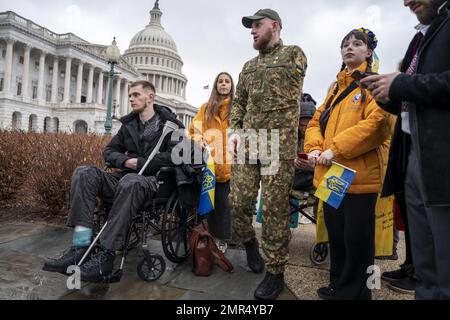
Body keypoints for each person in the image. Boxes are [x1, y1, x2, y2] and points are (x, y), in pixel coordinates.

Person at [42, 80, 186, 282]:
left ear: (150, 97)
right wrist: (127, 161)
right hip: (126, 176)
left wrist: (143, 163)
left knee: (131, 182)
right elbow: (109, 151)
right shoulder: (129, 125)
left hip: (155, 183)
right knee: (84, 173)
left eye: (136, 95)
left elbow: (177, 155)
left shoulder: (172, 126)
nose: (131, 99)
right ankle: (81, 245)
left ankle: (106, 255)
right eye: (130, 95)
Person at [362, 0, 450, 300]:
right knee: (425, 262)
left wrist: (402, 84)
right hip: (413, 154)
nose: (406, 1)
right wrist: (386, 94)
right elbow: (411, 98)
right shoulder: (419, 37)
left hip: (441, 160)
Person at [304, 28, 394, 300]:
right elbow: (314, 122)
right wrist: (315, 147)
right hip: (332, 176)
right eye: (345, 44)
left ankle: (357, 293)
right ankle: (338, 286)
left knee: (358, 242)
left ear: (368, 52)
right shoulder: (334, 88)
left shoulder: (374, 82)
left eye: (357, 44)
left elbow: (377, 125)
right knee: (337, 237)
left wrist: (335, 149)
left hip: (359, 177)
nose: (349, 48)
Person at [228, 8, 307, 300]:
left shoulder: (294, 55)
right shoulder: (247, 67)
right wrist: (234, 129)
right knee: (237, 202)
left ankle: (275, 272)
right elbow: (239, 103)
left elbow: (290, 90)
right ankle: (249, 242)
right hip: (249, 143)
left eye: (257, 25)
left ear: (275, 26)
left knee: (274, 209)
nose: (252, 30)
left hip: (277, 145)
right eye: (250, 27)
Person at [189, 72, 235, 253]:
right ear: (216, 85)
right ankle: (204, 237)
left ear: (232, 86)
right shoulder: (205, 108)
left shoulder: (238, 108)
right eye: (220, 82)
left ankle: (222, 239)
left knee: (224, 205)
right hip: (209, 166)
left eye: (227, 81)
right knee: (207, 204)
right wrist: (199, 138)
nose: (223, 84)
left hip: (230, 167)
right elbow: (194, 129)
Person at [293, 96, 316, 225]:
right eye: (302, 125)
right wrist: (293, 163)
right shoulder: (290, 137)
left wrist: (313, 166)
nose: (305, 128)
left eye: (309, 125)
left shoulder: (319, 136)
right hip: (295, 178)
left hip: (314, 177)